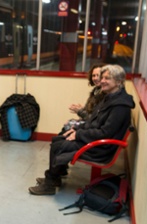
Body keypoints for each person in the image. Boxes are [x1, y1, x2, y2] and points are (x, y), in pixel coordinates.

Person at [29, 64, 135, 195]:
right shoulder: (110, 98)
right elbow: (93, 121)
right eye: (102, 77)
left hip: (102, 148)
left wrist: (79, 135)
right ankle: (54, 177)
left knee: (60, 145)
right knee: (59, 139)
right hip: (96, 140)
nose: (102, 81)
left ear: (119, 81)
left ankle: (49, 184)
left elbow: (105, 132)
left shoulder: (120, 107)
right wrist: (77, 129)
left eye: (107, 78)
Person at [60, 64, 105, 134]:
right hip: (89, 125)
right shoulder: (95, 92)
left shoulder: (104, 95)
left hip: (93, 129)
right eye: (93, 75)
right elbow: (90, 112)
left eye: (98, 75)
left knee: (67, 128)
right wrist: (83, 109)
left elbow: (94, 119)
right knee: (66, 126)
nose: (95, 78)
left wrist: (80, 111)